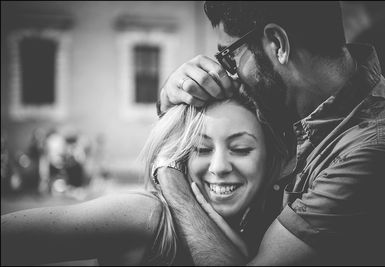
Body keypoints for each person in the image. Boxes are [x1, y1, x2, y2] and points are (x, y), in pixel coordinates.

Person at [156, 1, 385, 265]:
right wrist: (173, 94)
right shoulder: (286, 100)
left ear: (278, 44)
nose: (231, 75)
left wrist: (169, 175)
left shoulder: (372, 150)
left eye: (229, 56)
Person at [1, 90, 283, 266]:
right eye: (202, 148)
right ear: (181, 154)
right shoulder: (147, 216)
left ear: (270, 159)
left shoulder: (280, 235)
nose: (219, 166)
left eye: (241, 149)